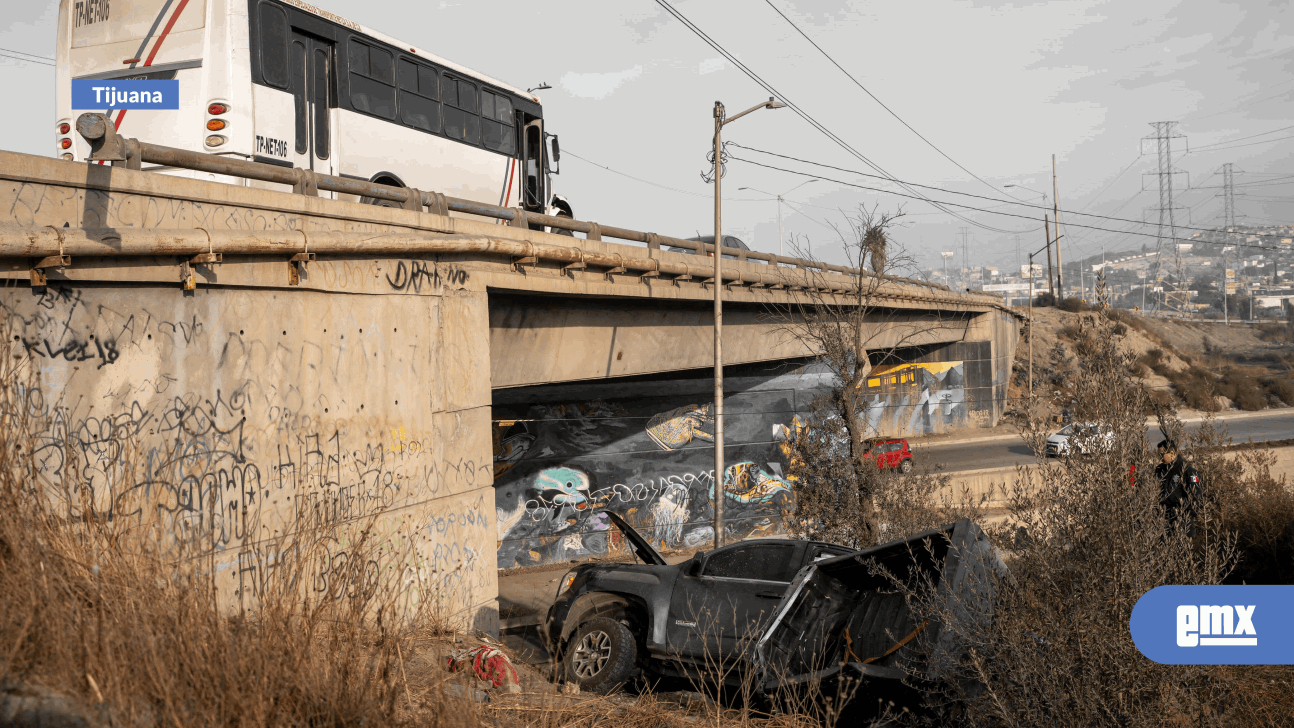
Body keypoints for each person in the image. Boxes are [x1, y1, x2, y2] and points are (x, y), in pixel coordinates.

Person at [1153, 439, 1201, 534]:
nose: (1160, 458)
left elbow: (1197, 495)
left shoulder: (1187, 470)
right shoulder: (1159, 470)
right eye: (1159, 455)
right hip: (1163, 520)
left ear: (1172, 453)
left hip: (1182, 520)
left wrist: (1186, 516)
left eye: (1162, 455)